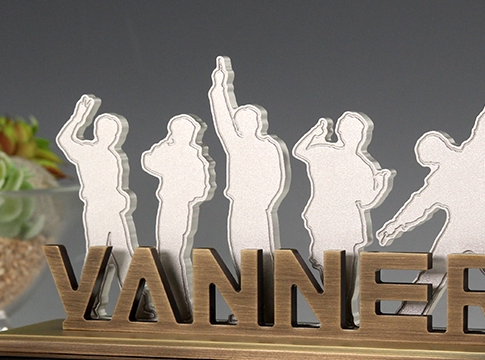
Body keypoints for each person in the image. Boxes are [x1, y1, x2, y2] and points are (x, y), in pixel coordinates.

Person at [375, 64, 485, 334]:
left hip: (481, 231)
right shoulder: (441, 178)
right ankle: (405, 324)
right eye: (429, 165)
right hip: (460, 232)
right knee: (442, 275)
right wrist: (395, 226)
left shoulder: (473, 154)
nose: (432, 168)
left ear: (441, 149)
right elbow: (418, 204)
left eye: (430, 162)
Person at [293, 111, 394, 321]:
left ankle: (338, 313)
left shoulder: (326, 152)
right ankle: (338, 312)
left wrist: (316, 132)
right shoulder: (358, 163)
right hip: (336, 218)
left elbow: (301, 150)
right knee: (340, 266)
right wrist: (381, 183)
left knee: (336, 264)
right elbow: (367, 200)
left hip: (331, 217)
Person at [208, 56, 290, 309]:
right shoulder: (235, 143)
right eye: (240, 120)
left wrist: (264, 201)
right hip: (239, 207)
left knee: (263, 255)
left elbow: (278, 179)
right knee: (239, 251)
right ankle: (247, 305)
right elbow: (221, 117)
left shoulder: (269, 147)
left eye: (248, 120)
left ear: (259, 124)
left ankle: (267, 307)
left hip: (259, 208)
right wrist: (220, 87)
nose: (242, 123)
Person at [56, 94, 139, 317]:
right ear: (98, 131)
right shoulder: (88, 152)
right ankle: (90, 306)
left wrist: (122, 198)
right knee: (98, 256)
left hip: (116, 212)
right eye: (106, 129)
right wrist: (81, 115)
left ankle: (137, 304)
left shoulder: (114, 155)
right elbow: (65, 140)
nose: (111, 134)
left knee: (125, 255)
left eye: (114, 131)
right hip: (98, 211)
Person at [141, 114, 216, 318]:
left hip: (180, 207)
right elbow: (149, 161)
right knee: (166, 252)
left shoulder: (193, 155)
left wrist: (187, 198)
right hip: (168, 205)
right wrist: (165, 144)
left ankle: (181, 305)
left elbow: (204, 186)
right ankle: (171, 304)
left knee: (173, 253)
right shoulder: (171, 151)